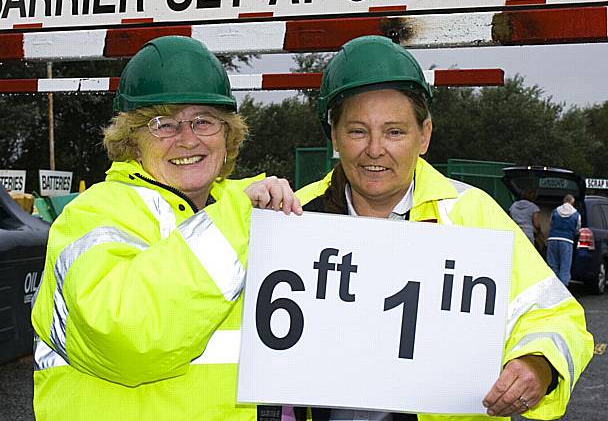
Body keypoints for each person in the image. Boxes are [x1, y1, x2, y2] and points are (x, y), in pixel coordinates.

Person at [293, 36, 593, 421]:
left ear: (425, 136)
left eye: (395, 132)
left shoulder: (473, 216)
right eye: (357, 131)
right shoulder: (295, 217)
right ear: (334, 136)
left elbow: (555, 315)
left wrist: (538, 364)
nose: (374, 149)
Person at [31, 36, 301, 421]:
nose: (187, 138)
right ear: (132, 142)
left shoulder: (246, 209)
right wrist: (238, 217)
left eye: (204, 121)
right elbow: (129, 337)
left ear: (227, 136)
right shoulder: (91, 215)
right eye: (164, 124)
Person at [546, 194, 581, 286]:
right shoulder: (576, 214)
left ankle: (552, 286)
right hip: (567, 241)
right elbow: (577, 229)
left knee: (552, 265)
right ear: (572, 202)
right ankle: (563, 290)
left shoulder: (555, 211)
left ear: (564, 201)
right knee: (565, 267)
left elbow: (550, 224)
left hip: (552, 239)